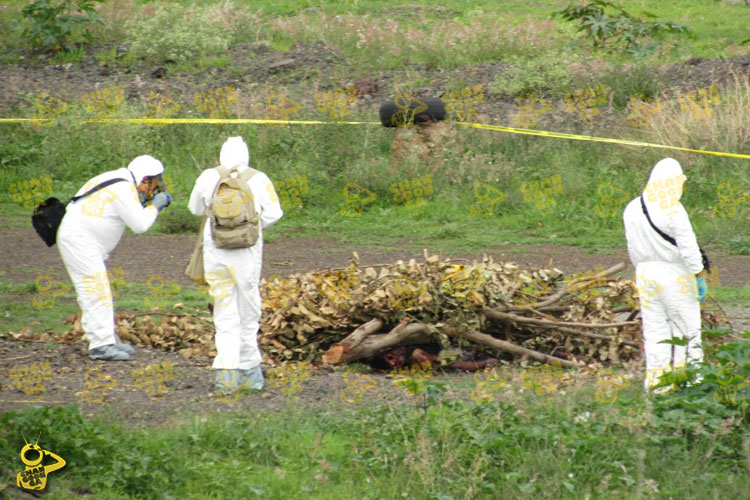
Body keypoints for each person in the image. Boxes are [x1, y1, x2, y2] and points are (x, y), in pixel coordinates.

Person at [188, 137, 283, 395]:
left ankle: (226, 376)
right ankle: (251, 372)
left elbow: (194, 208)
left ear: (221, 156)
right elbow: (275, 213)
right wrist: (250, 227)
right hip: (247, 256)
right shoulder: (259, 178)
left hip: (217, 255)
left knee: (224, 313)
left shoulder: (209, 176)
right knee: (249, 313)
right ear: (247, 156)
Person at [58, 155, 172, 361]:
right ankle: (100, 345)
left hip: (80, 239)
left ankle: (105, 340)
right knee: (95, 290)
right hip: (79, 241)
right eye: (153, 183)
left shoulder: (118, 179)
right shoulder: (124, 189)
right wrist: (155, 206)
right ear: (144, 179)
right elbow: (140, 225)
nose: (152, 189)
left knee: (98, 290)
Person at [622, 157, 707, 392]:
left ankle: (657, 386)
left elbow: (631, 246)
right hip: (675, 273)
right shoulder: (673, 208)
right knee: (687, 330)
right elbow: (688, 247)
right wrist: (699, 274)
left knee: (655, 331)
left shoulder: (632, 207)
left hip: (645, 273)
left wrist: (644, 269)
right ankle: (692, 383)